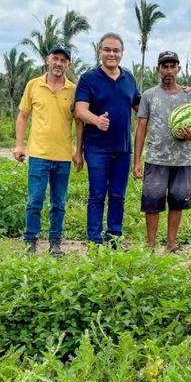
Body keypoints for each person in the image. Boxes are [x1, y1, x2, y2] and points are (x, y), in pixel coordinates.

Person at [14, 44, 84, 256]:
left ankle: (55, 243)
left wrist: (78, 151)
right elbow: (23, 115)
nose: (59, 63)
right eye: (55, 58)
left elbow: (79, 121)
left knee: (59, 203)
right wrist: (19, 145)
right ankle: (30, 241)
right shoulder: (33, 85)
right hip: (38, 155)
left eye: (63, 60)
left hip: (63, 156)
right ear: (47, 60)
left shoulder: (73, 90)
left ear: (68, 65)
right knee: (34, 201)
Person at [132, 51, 191, 253]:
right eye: (165, 66)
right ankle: (151, 244)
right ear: (158, 69)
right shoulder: (149, 95)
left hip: (181, 160)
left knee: (177, 202)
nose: (169, 71)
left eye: (173, 66)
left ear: (178, 69)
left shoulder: (189, 95)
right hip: (156, 158)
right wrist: (137, 161)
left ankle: (172, 244)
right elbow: (141, 130)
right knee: (152, 203)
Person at [74, 32, 141, 249]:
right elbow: (80, 110)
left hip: (123, 149)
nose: (111, 54)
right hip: (97, 149)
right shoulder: (89, 79)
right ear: (99, 52)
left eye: (116, 50)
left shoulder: (129, 79)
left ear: (122, 54)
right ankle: (94, 241)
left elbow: (140, 108)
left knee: (118, 196)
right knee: (96, 195)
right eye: (107, 50)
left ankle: (114, 238)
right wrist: (96, 120)